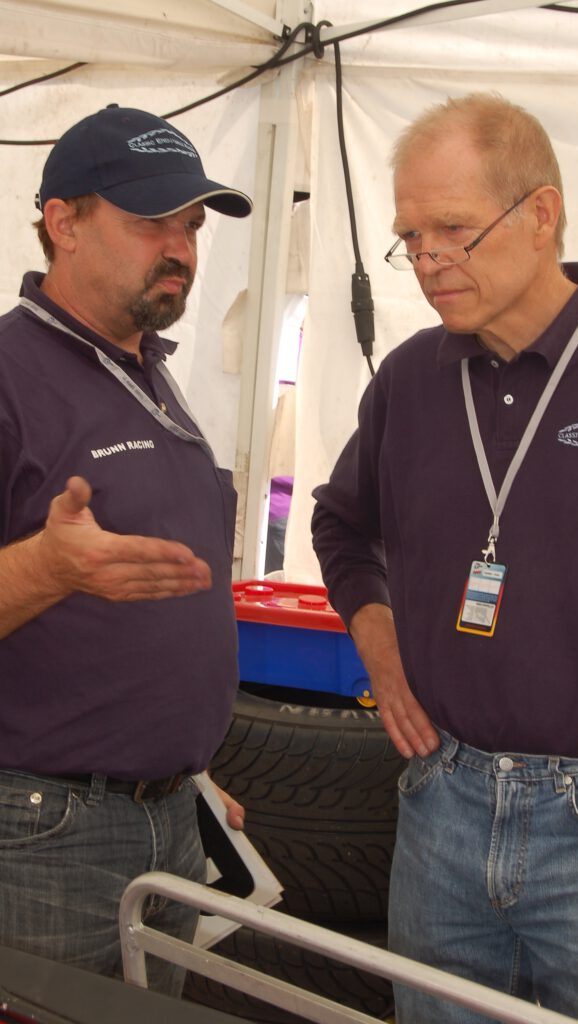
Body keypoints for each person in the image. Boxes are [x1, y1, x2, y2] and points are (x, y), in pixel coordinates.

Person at [311, 91, 578, 1024]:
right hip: (443, 797)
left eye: (454, 231)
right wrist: (382, 649)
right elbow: (342, 527)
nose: (428, 263)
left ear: (541, 213)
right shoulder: (408, 377)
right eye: (410, 236)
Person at [0, 104, 252, 995]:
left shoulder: (147, 370)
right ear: (62, 223)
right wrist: (46, 566)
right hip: (43, 830)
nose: (180, 244)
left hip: (168, 817)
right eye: (151, 221)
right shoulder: (10, 374)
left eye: (189, 224)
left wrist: (183, 765)